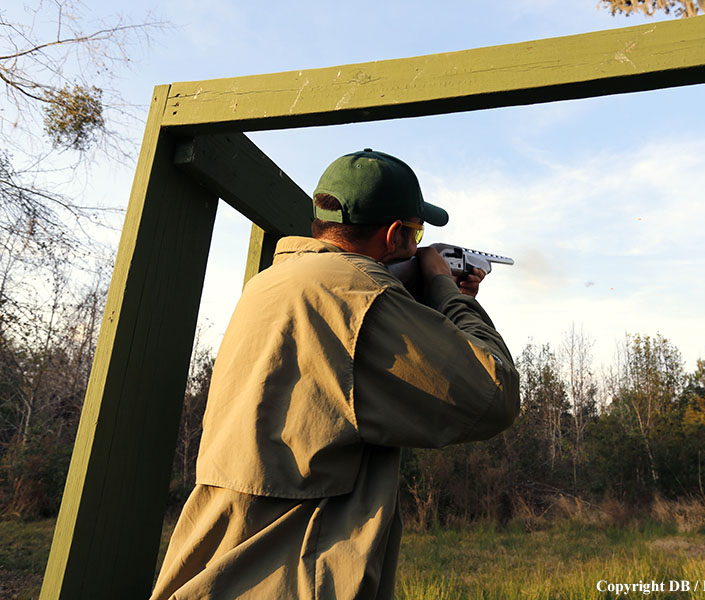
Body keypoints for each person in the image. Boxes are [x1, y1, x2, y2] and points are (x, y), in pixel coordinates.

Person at [150, 149, 520, 599]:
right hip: (296, 581)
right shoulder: (360, 294)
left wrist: (416, 301)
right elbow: (493, 393)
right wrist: (445, 287)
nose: (417, 242)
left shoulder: (270, 285)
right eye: (416, 232)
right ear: (396, 235)